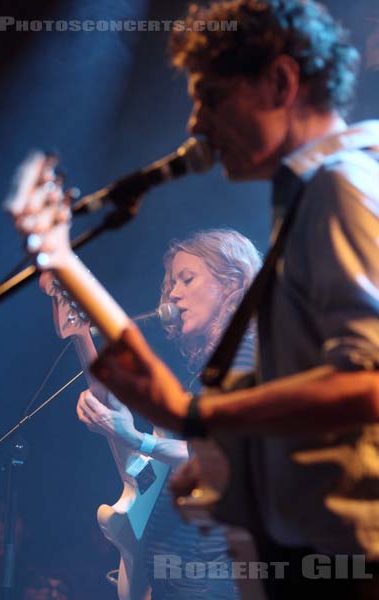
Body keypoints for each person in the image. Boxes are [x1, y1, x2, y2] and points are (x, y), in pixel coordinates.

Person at [86, 2, 379, 599]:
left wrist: (193, 416)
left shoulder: (338, 187)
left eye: (212, 96)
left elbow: (368, 383)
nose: (196, 122)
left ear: (280, 82)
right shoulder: (321, 191)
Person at [76, 228, 261, 599]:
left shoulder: (254, 355)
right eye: (172, 282)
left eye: (187, 279)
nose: (173, 292)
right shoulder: (208, 374)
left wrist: (133, 436)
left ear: (233, 283)